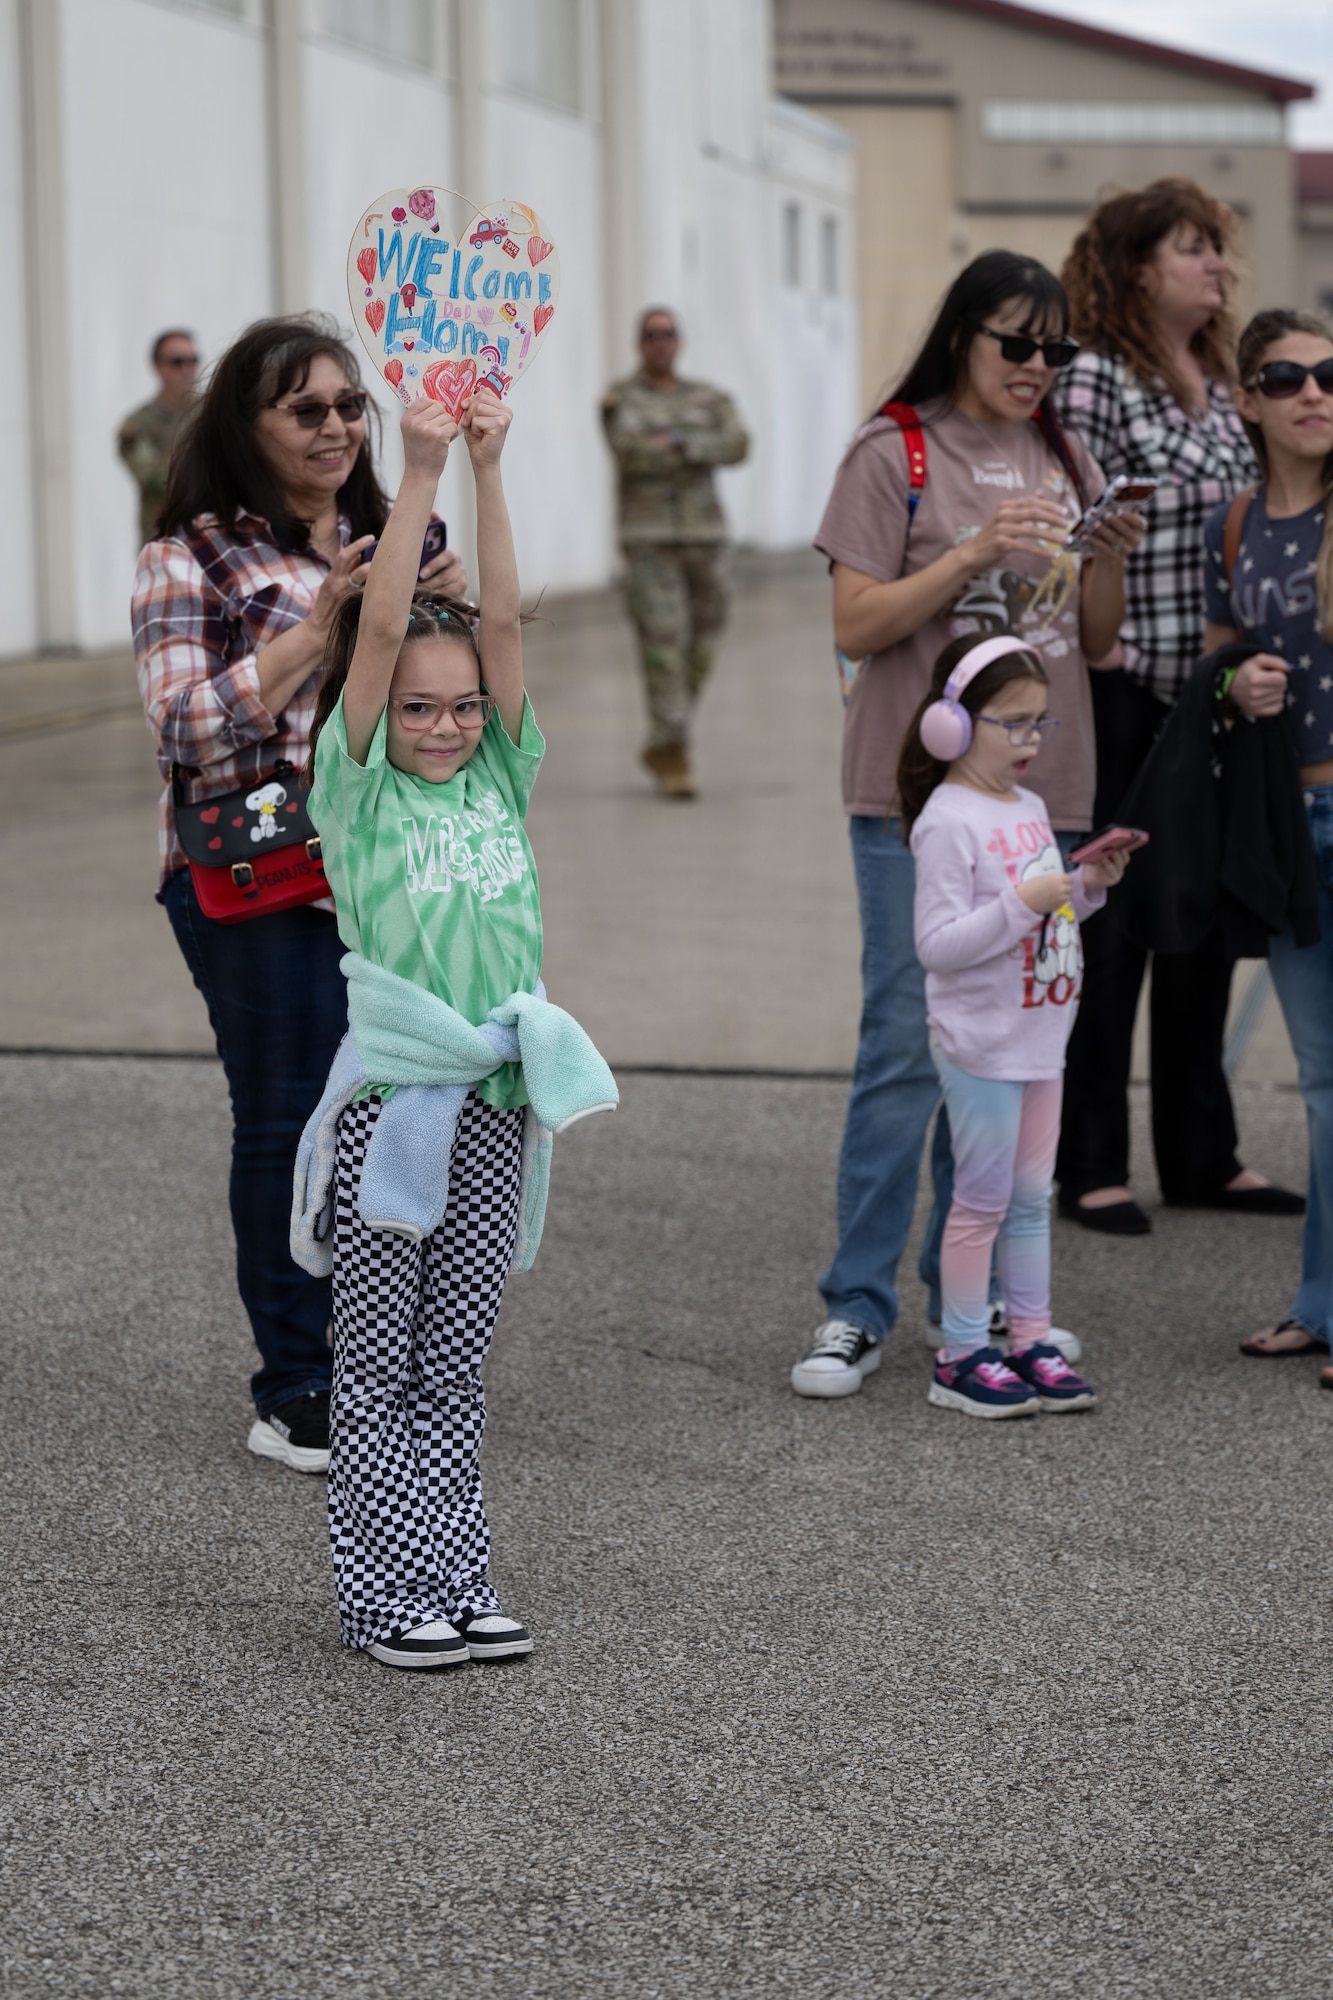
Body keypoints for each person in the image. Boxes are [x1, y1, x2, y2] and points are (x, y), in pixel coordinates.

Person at [790, 249, 1143, 1400]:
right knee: (906, 1042)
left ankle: (975, 1307)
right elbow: (856, 621)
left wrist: (1106, 564)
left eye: (1057, 349)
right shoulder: (893, 448)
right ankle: (854, 1306)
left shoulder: (1064, 452)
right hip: (921, 802)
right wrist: (980, 548)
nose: (1038, 367)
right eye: (1016, 343)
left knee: (1002, 1044)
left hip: (1045, 792)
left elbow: (1086, 644)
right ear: (961, 338)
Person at [300, 387, 614, 1672]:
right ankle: (382, 1593)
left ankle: (454, 1569)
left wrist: (492, 467)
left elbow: (494, 620)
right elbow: (385, 630)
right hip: (397, 1108)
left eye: (461, 706)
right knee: (372, 1366)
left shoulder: (496, 770)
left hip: (496, 1106)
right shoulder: (358, 786)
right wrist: (417, 465)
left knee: (455, 1363)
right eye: (422, 708)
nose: (444, 723)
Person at [134, 313, 466, 1474]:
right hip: (252, 872)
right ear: (248, 421)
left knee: (385, 1114)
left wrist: (445, 615)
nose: (334, 427)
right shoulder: (189, 554)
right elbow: (181, 725)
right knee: (283, 1119)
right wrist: (323, 623)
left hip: (381, 875)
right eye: (305, 409)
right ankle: (295, 1382)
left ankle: (373, 1353)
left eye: (347, 406)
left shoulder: (397, 532)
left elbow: (447, 710)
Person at [1053, 179, 1301, 1233]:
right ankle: (1090, 1160)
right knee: (1112, 932)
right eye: (1190, 248)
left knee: (1200, 917)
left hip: (1214, 688)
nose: (1213, 265)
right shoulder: (1099, 380)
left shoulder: (1224, 379)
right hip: (1121, 687)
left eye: (1215, 248)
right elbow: (1074, 527)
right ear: (1134, 266)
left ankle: (1204, 1152)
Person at [898, 633, 1128, 1416]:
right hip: (980, 1045)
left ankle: (1027, 1337)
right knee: (982, 1199)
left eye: (1040, 724)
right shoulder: (946, 821)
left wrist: (1086, 887)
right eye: (1013, 724)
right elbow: (936, 949)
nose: (1030, 741)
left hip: (1040, 1041)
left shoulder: (1029, 809)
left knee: (1031, 1197)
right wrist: (1018, 904)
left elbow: (1048, 910)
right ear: (953, 726)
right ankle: (960, 1354)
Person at [1199, 310, 1333, 1374]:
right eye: (1284, 376)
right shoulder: (1235, 523)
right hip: (1287, 825)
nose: (1312, 393)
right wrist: (1232, 681)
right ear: (1247, 398)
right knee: (1322, 1084)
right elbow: (1213, 661)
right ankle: (1318, 1300)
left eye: (1330, 374)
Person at [601, 307, 750, 799]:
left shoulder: (709, 397)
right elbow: (628, 449)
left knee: (705, 638)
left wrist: (679, 442)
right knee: (663, 644)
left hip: (705, 536)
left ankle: (666, 734)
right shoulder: (620, 399)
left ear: (679, 342)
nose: (660, 343)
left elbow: (737, 444)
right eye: (650, 335)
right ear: (638, 344)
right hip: (649, 540)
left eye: (667, 334)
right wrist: (694, 447)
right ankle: (675, 752)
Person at [118, 330, 202, 545]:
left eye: (193, 360)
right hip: (165, 539)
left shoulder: (214, 413)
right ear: (157, 366)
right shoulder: (138, 424)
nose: (186, 369)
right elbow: (154, 477)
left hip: (215, 537)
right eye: (177, 361)